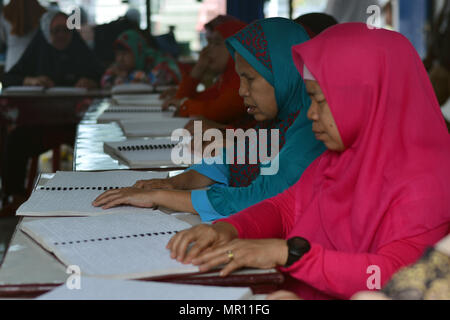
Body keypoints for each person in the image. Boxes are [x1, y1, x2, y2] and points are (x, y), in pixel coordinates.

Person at [166, 23, 450, 300]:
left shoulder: (427, 183)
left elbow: (390, 277)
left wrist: (286, 253)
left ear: (366, 97)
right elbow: (286, 207)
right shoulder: (344, 157)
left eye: (319, 100)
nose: (311, 114)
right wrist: (227, 229)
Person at [93, 18, 325, 221]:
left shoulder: (312, 128)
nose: (241, 91)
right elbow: (235, 156)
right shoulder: (280, 119)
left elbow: (261, 197)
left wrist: (160, 196)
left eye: (250, 79)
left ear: (284, 72)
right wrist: (178, 183)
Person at [0, 11, 104, 216]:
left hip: (77, 124)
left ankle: (94, 197)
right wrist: (30, 80)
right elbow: (10, 78)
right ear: (47, 33)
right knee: (15, 141)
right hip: (42, 124)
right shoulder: (37, 51)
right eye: (56, 30)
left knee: (98, 143)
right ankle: (16, 198)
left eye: (66, 30)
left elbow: (102, 75)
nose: (62, 35)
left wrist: (91, 82)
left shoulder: (79, 50)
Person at [162, 17, 248, 124]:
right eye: (208, 43)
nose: (207, 50)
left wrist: (183, 103)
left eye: (216, 43)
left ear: (236, 47)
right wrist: (199, 67)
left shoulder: (243, 81)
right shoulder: (225, 80)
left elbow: (215, 112)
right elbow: (188, 100)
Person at [101, 29, 181, 88]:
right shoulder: (119, 66)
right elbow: (105, 81)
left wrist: (126, 77)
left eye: (124, 54)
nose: (120, 59)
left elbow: (160, 79)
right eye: (117, 54)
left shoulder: (159, 60)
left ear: (137, 52)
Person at [0, 0, 46, 72]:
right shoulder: (40, 11)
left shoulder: (5, 13)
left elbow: (3, 38)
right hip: (34, 61)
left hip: (13, 59)